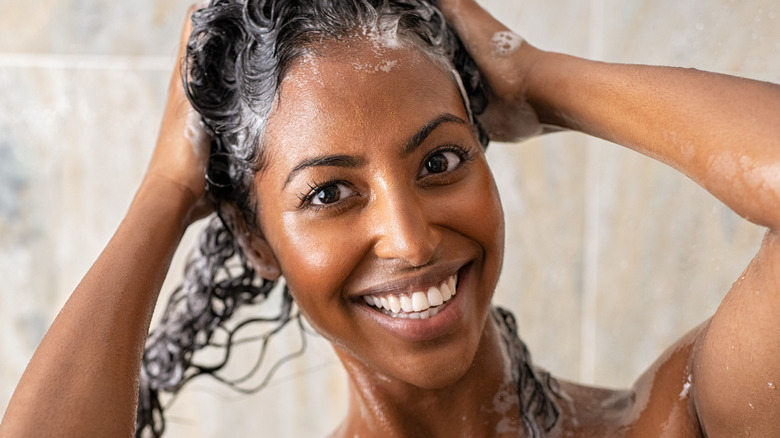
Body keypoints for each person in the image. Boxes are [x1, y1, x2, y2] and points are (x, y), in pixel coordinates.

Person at [1, 0, 779, 436]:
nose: (410, 238)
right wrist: (167, 191)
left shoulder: (672, 423)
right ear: (255, 239)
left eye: (440, 162)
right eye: (330, 194)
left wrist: (536, 74)